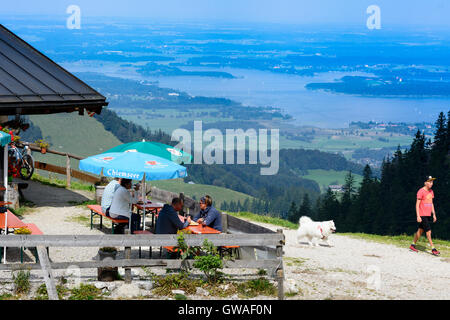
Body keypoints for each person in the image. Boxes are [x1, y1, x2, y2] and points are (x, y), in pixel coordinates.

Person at [409, 176, 440, 256]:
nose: (431, 183)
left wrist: (434, 214)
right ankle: (433, 249)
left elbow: (431, 203)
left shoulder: (431, 191)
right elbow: (417, 204)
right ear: (425, 182)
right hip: (422, 214)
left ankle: (412, 245)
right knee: (428, 231)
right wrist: (418, 216)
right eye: (429, 182)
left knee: (420, 231)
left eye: (432, 182)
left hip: (428, 214)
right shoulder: (421, 191)